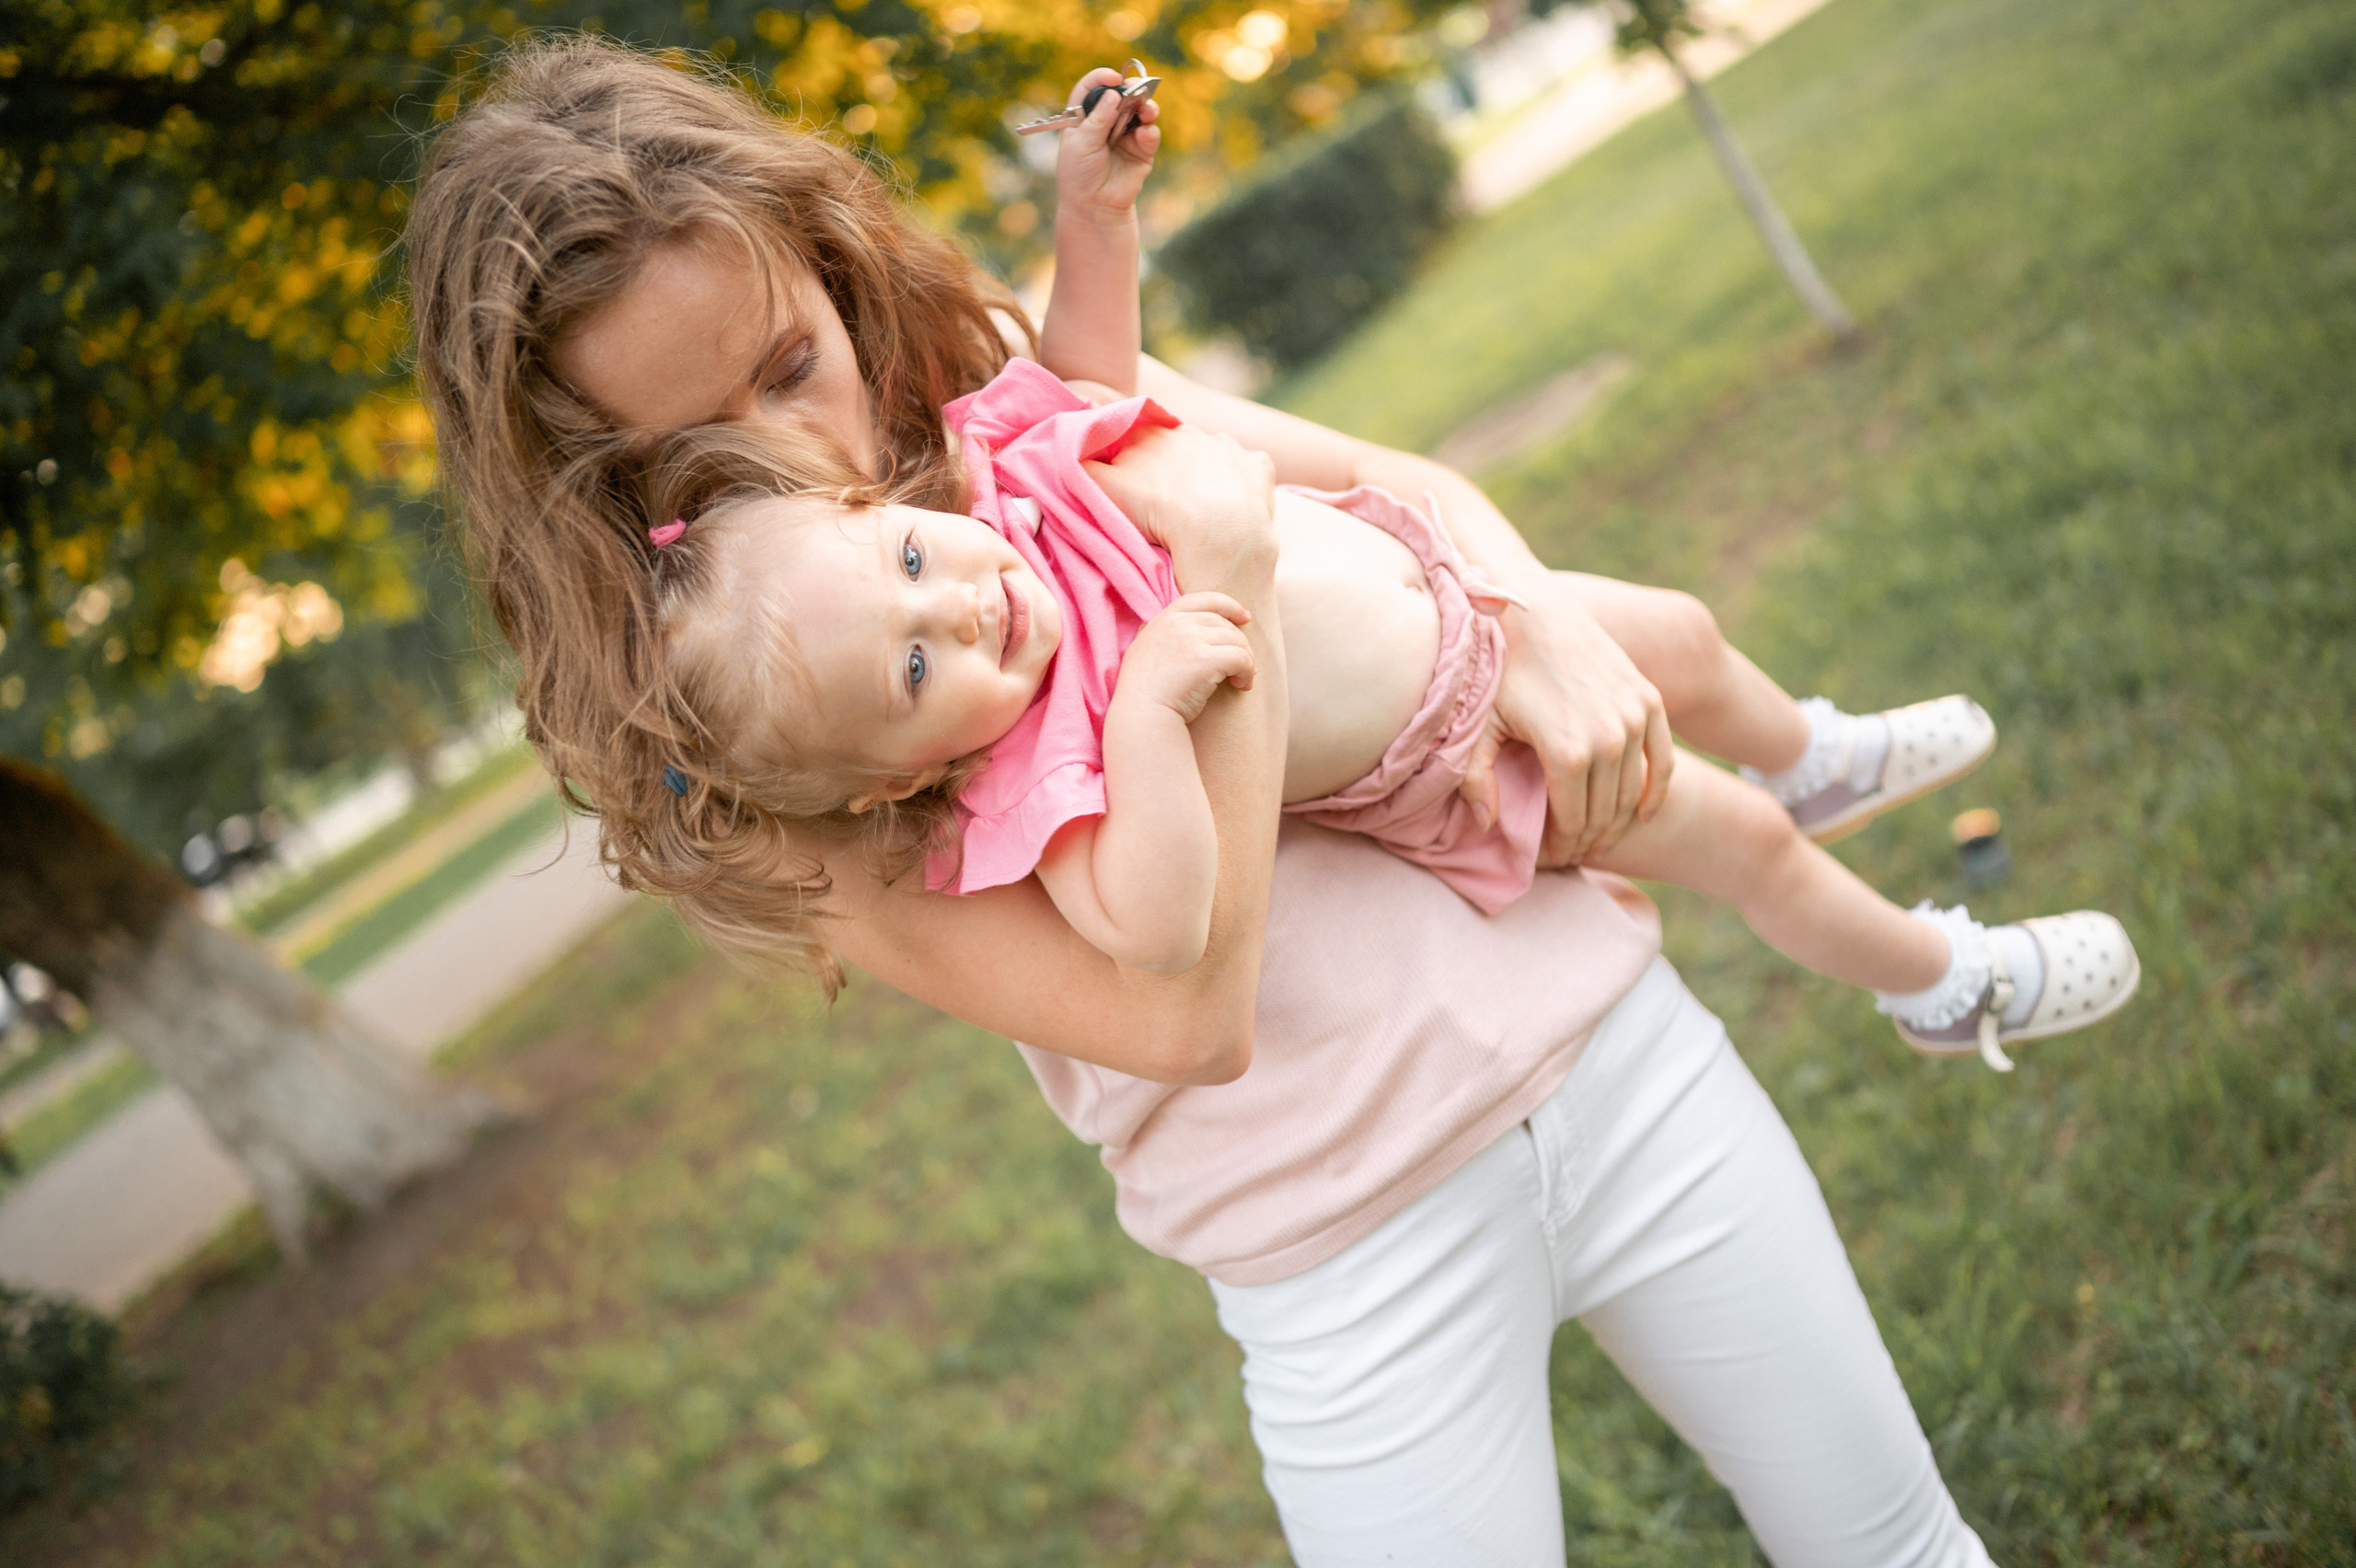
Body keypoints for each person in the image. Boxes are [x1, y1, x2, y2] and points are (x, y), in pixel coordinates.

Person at [406, 36, 2050, 1562]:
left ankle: (1882, 884)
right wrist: (1231, 597)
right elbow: (1186, 1017)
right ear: (610, 489)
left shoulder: (998, 424)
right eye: (706, 444)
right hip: (1352, 1257)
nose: (798, 451)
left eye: (792, 362)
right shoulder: (772, 751)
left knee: (1903, 1549)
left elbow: (1395, 485)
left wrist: (1528, 622)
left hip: (1614, 1052)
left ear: (830, 280)